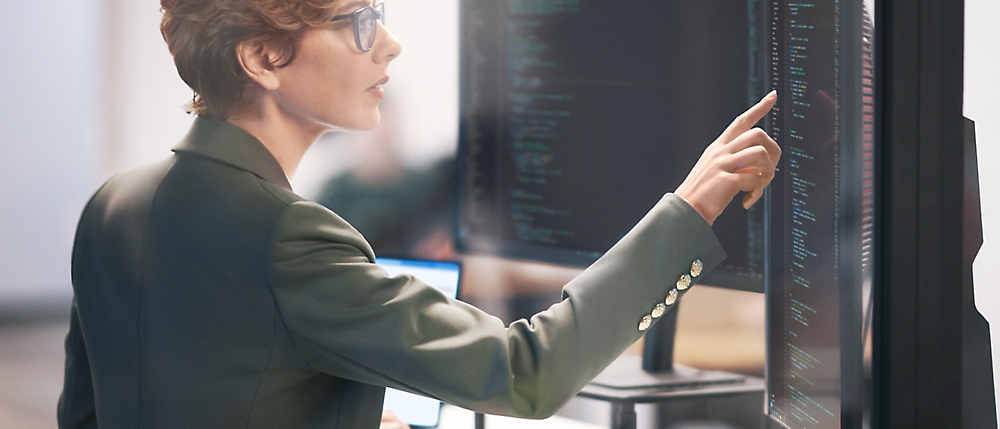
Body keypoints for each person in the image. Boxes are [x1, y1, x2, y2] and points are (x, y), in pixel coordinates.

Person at [57, 0, 780, 428]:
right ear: (262, 57)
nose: (391, 42)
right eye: (359, 22)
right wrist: (691, 208)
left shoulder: (113, 205)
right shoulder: (287, 235)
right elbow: (526, 370)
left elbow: (96, 416)